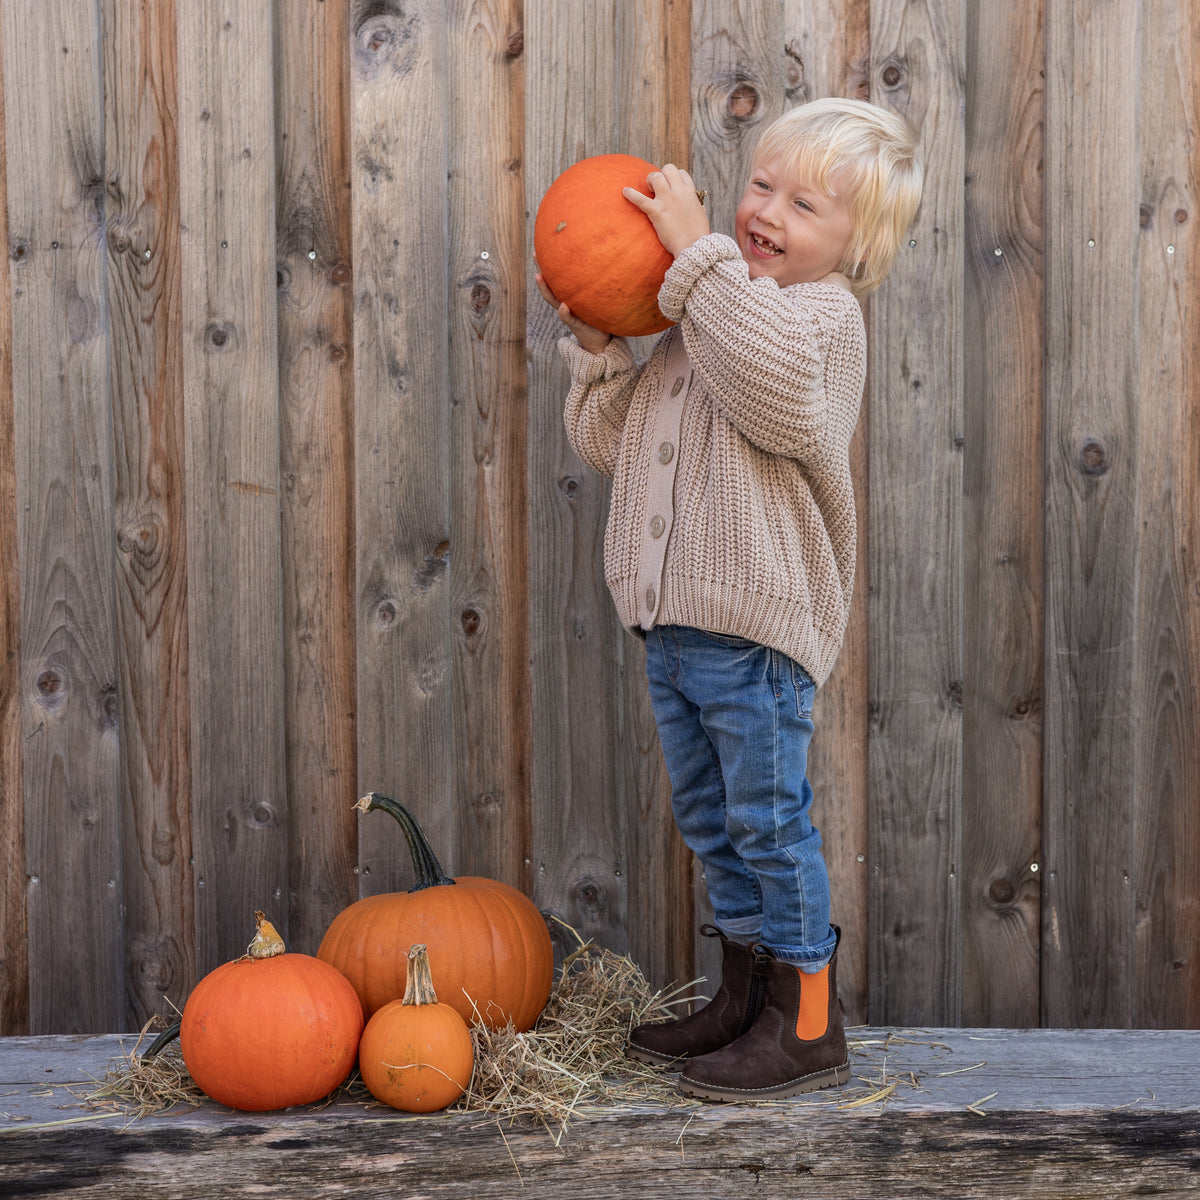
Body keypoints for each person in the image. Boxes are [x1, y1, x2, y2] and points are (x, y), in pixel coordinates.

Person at [535, 96, 922, 1101]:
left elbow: (773, 388)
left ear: (855, 249)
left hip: (755, 633)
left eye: (805, 203)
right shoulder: (700, 318)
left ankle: (809, 1021)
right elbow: (610, 444)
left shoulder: (818, 321)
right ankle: (745, 998)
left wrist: (696, 259)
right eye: (762, 184)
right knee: (713, 823)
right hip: (673, 628)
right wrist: (601, 352)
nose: (768, 210)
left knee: (769, 821)